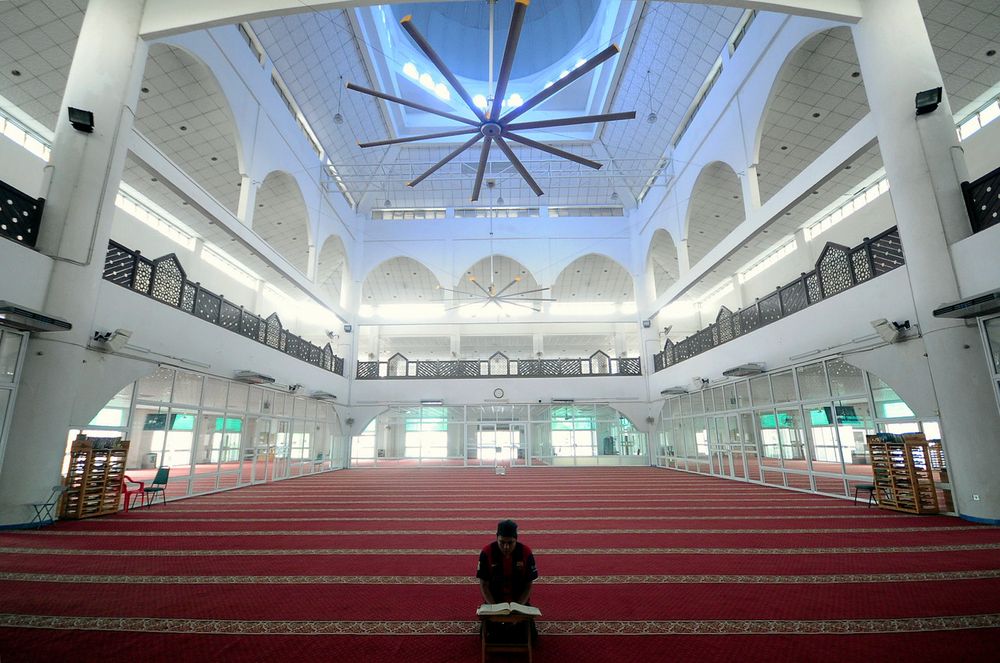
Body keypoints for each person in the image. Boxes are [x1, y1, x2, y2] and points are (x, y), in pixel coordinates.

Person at [476, 519, 539, 643]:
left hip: (519, 602)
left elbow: (528, 585)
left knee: (532, 639)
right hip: (494, 602)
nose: (506, 547)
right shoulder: (487, 552)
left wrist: (519, 607)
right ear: (497, 538)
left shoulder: (526, 552)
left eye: (510, 543)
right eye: (502, 542)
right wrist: (494, 608)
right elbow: (484, 585)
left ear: (516, 539)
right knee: (488, 638)